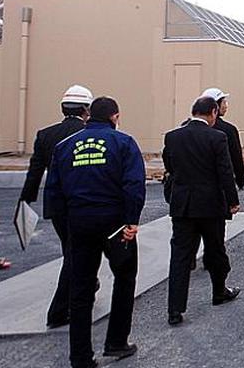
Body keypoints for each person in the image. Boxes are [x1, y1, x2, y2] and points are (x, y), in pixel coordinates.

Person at [45, 97, 146, 368]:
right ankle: (116, 342)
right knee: (124, 278)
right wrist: (131, 221)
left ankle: (80, 356)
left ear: (89, 116)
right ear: (115, 116)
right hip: (115, 223)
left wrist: (68, 227)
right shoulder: (124, 143)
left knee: (80, 290)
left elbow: (54, 192)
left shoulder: (65, 146)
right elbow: (133, 185)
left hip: (79, 222)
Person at [19, 85, 93, 329]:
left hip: (58, 204)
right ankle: (59, 310)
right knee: (75, 255)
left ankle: (87, 286)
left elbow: (35, 172)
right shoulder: (89, 133)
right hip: (84, 203)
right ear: (86, 109)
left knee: (72, 250)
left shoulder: (45, 135)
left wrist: (25, 200)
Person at [163, 96, 241, 326]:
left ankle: (174, 310)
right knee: (215, 249)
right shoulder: (217, 137)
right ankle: (219, 291)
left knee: (180, 257)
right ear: (214, 112)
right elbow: (225, 172)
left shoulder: (173, 136)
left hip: (183, 205)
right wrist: (232, 201)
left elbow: (170, 166)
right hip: (211, 205)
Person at [202, 87, 244, 190]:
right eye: (223, 102)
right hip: (220, 184)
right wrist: (241, 180)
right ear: (216, 106)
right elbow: (236, 157)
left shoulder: (186, 129)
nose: (226, 106)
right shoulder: (229, 130)